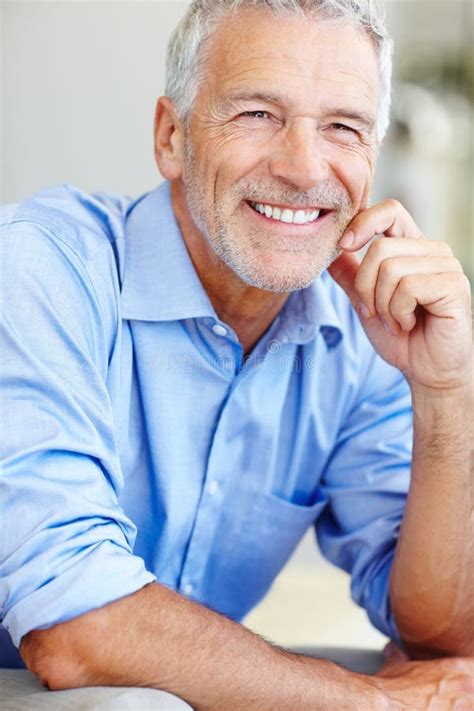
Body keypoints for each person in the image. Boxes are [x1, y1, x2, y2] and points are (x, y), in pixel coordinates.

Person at [1, 0, 473, 709]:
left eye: (343, 127)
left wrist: (447, 389)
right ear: (171, 137)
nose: (303, 166)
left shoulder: (364, 330)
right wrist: (374, 703)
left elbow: (441, 638)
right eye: (257, 114)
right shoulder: (41, 268)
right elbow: (73, 627)